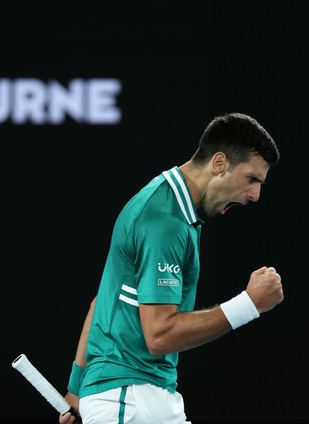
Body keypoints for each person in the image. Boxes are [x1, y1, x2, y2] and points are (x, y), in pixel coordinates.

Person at [59, 112, 284, 424]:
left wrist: (76, 389)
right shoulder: (165, 222)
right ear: (219, 163)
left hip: (135, 398)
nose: (255, 196)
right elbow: (160, 336)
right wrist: (249, 305)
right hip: (131, 399)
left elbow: (104, 302)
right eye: (252, 179)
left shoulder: (169, 207)